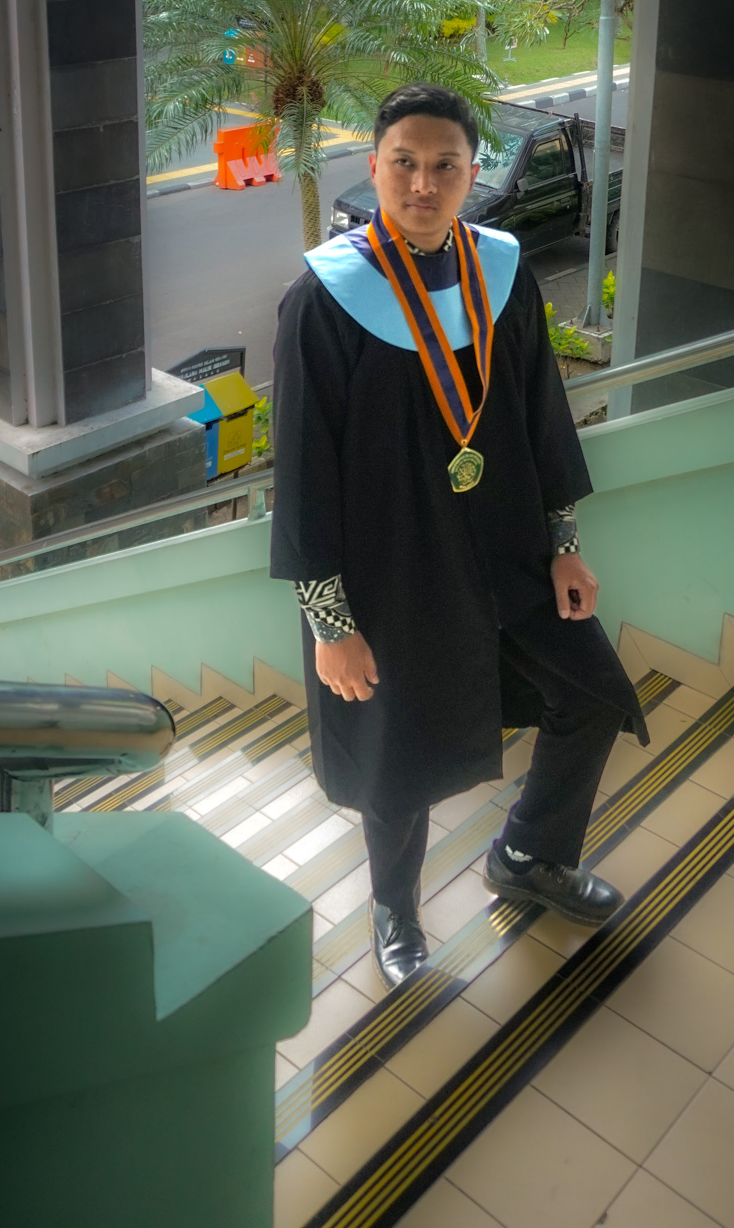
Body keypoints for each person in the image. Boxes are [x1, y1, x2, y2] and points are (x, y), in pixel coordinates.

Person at [271, 82, 648, 989]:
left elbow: (539, 412)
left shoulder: (500, 274)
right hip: (393, 573)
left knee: (594, 694)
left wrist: (564, 540)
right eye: (404, 162)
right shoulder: (324, 301)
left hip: (509, 551)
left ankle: (529, 855)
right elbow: (304, 474)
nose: (423, 183)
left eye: (445, 165)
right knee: (395, 755)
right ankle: (394, 910)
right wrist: (330, 624)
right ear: (374, 167)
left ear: (472, 175)